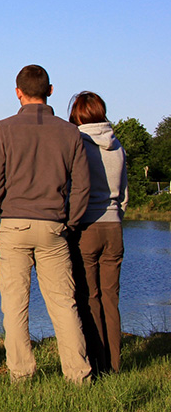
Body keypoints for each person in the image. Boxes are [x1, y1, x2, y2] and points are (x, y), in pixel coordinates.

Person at [0, 65, 92, 383]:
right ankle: (78, 375)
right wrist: (70, 222)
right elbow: (82, 187)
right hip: (54, 226)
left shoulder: (4, 129)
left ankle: (21, 375)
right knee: (63, 304)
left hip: (13, 227)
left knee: (14, 307)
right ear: (51, 90)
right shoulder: (70, 132)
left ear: (18, 92)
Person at [67, 91, 127, 375]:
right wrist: (115, 213)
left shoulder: (76, 142)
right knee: (110, 299)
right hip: (114, 227)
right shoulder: (117, 146)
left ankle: (97, 364)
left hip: (87, 226)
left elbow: (72, 188)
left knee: (89, 298)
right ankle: (114, 365)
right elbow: (124, 194)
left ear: (77, 114)